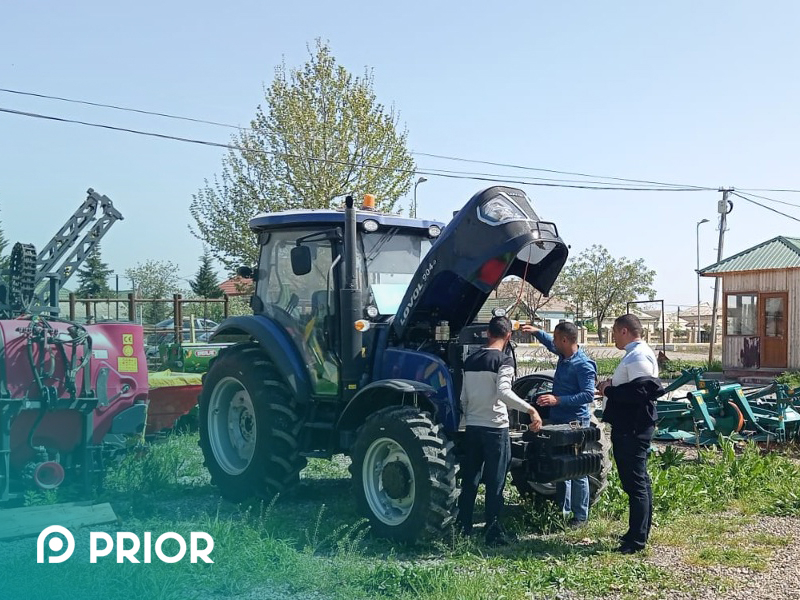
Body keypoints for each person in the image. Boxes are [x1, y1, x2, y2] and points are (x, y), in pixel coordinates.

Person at [456, 315, 543, 546]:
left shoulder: (470, 360)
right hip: (495, 428)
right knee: (495, 481)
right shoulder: (504, 361)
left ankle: (463, 526)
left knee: (471, 478)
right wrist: (530, 409)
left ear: (487, 333)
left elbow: (463, 398)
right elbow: (504, 392)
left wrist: (469, 417)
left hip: (473, 427)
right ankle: (492, 530)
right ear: (508, 336)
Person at [598, 314, 664, 554]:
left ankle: (636, 540)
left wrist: (609, 390)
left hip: (632, 428)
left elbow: (642, 392)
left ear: (624, 331)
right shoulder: (637, 354)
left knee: (635, 483)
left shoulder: (638, 356)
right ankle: (638, 531)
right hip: (630, 426)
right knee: (639, 481)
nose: (613, 337)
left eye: (614, 332)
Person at [522, 322, 598, 527]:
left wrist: (558, 400)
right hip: (559, 421)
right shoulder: (564, 356)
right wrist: (537, 332)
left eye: (556, 338)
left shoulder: (583, 365)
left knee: (577, 470)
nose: (554, 342)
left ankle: (580, 516)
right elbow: (550, 344)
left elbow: (588, 395)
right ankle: (563, 512)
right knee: (561, 468)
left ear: (565, 340)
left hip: (574, 423)